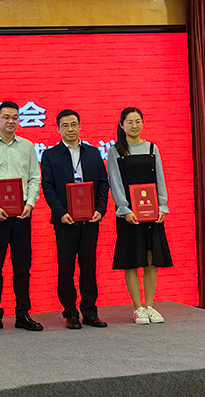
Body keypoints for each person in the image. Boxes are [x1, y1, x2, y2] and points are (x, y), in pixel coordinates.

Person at [0, 101, 43, 333]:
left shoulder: (27, 146)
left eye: (15, 117)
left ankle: (23, 313)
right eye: (6, 117)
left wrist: (30, 203)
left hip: (22, 214)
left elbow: (34, 177)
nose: (11, 121)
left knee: (22, 267)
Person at [41, 110, 109, 330]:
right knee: (66, 267)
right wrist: (61, 213)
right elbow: (48, 187)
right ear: (58, 129)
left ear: (80, 126)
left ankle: (90, 311)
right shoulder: (50, 155)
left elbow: (103, 182)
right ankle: (70, 312)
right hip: (65, 221)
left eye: (73, 124)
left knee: (89, 266)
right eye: (65, 125)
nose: (70, 129)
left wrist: (100, 210)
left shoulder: (93, 153)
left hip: (90, 220)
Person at [108, 107, 173, 324]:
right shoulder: (116, 151)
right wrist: (124, 209)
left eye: (138, 121)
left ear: (143, 123)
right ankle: (137, 308)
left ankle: (150, 305)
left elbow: (160, 179)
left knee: (151, 260)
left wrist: (162, 206)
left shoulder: (152, 148)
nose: (134, 125)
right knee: (131, 261)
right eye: (130, 122)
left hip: (152, 214)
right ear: (122, 125)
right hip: (128, 216)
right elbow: (115, 182)